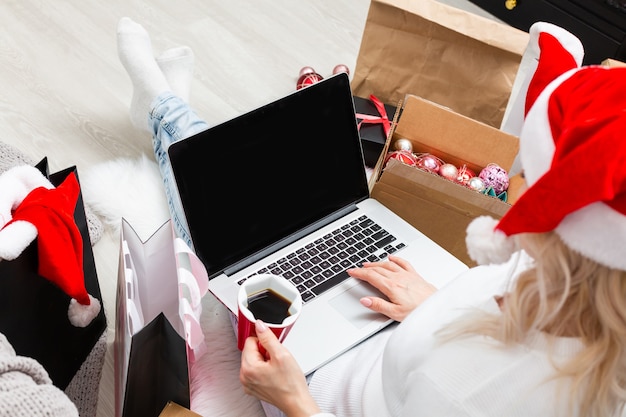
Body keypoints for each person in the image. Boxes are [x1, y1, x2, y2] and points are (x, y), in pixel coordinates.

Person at [117, 17, 626, 417]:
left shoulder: (473, 394)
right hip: (393, 341)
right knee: (267, 203)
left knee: (225, 230)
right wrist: (439, 306)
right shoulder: (585, 294)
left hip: (321, 387)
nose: (516, 198)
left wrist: (293, 399)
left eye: (530, 187)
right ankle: (170, 111)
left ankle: (164, 108)